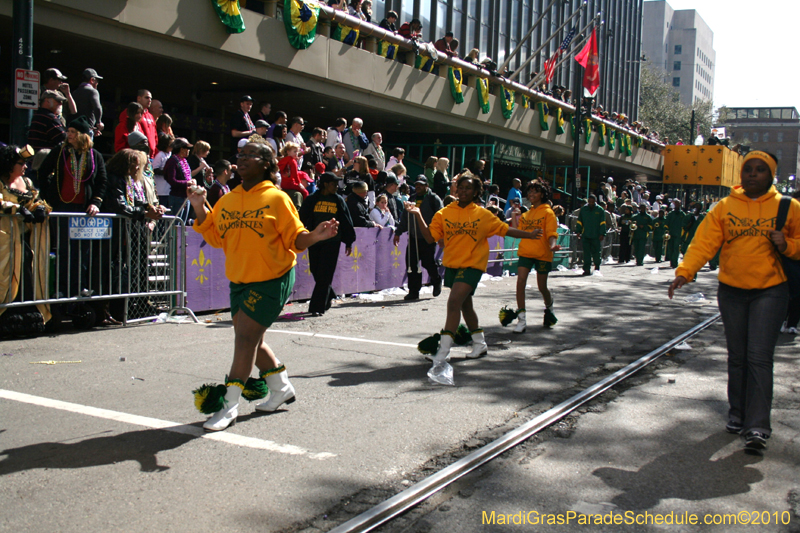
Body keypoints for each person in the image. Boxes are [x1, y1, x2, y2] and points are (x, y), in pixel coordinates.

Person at [188, 142, 340, 431]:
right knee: (252, 340)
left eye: (250, 156)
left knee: (244, 339)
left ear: (267, 164)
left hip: (273, 278)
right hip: (240, 280)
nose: (241, 159)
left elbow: (296, 239)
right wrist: (198, 206)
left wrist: (316, 237)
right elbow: (215, 238)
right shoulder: (228, 199)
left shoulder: (278, 198)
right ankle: (281, 388)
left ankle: (229, 405)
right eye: (240, 155)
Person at [668, 151, 800, 456]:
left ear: (771, 176)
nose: (753, 174)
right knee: (738, 356)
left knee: (758, 356)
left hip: (771, 290)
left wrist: (788, 244)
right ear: (741, 174)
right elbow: (703, 243)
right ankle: (738, 413)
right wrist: (684, 272)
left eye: (760, 170)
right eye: (748, 169)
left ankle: (757, 426)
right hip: (732, 291)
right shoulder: (725, 207)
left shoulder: (788, 207)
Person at [405, 174, 542, 362]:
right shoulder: (444, 213)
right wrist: (418, 214)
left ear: (476, 192)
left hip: (473, 265)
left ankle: (443, 352)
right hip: (453, 264)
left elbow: (505, 229)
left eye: (468, 188)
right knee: (465, 306)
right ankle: (480, 344)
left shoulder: (482, 215)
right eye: (460, 187)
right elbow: (430, 238)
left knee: (453, 303)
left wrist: (529, 234)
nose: (463, 191)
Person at [38, 116, 107, 297]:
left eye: (72, 132)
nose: (68, 135)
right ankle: (62, 288)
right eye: (68, 131)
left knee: (82, 250)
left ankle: (79, 286)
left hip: (83, 210)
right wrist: (49, 199)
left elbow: (102, 181)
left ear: (83, 135)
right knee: (63, 249)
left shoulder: (95, 156)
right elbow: (42, 172)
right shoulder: (60, 152)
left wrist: (96, 202)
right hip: (62, 207)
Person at [0, 145, 51, 337]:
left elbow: (35, 201)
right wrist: (16, 209)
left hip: (22, 238)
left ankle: (25, 320)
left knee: (25, 273)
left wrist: (39, 208)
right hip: (3, 238)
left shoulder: (26, 181)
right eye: (20, 163)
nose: (24, 167)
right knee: (4, 276)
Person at [299, 172, 356, 316]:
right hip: (314, 240)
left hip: (332, 242)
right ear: (325, 184)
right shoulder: (312, 199)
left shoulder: (338, 200)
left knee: (325, 273)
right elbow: (301, 218)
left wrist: (349, 241)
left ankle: (317, 307)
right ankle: (329, 294)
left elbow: (346, 220)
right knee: (315, 271)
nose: (337, 186)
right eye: (334, 184)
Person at [507, 181, 560, 333]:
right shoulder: (526, 213)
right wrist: (515, 217)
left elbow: (551, 233)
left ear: (542, 194)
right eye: (529, 192)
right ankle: (521, 319)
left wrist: (552, 245)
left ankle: (549, 307)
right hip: (526, 252)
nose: (531, 195)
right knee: (520, 282)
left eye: (535, 192)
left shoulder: (548, 213)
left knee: (542, 287)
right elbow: (518, 231)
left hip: (543, 254)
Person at [394, 176, 443, 301]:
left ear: (427, 186)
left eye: (421, 185)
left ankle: (436, 279)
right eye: (416, 185)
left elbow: (441, 216)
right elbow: (405, 218)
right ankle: (414, 291)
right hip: (413, 237)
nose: (418, 187)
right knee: (411, 264)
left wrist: (440, 234)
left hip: (427, 238)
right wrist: (398, 232)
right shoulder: (412, 198)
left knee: (428, 263)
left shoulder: (433, 199)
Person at [162, 137, 193, 223]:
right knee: (175, 225)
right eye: (186, 148)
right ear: (181, 149)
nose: (188, 151)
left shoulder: (184, 161)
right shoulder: (172, 161)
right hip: (177, 197)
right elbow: (172, 180)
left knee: (182, 225)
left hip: (186, 197)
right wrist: (187, 183)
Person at [575, 195, 606, 275]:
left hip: (596, 236)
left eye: (593, 202)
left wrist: (602, 233)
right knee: (586, 253)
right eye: (590, 201)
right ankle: (587, 269)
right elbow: (579, 221)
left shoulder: (600, 210)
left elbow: (603, 223)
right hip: (586, 235)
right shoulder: (583, 210)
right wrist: (578, 231)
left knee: (596, 253)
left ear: (595, 201)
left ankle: (597, 267)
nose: (591, 203)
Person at [277, 142, 312, 208]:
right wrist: (299, 184)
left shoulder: (282, 160)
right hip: (290, 183)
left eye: (297, 151)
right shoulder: (292, 161)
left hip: (282, 183)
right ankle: (305, 207)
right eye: (294, 152)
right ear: (288, 152)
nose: (297, 153)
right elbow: (295, 175)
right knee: (305, 192)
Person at [71, 69, 104, 138]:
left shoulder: (75, 92)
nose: (97, 83)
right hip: (86, 130)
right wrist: (99, 122)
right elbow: (97, 107)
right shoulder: (93, 91)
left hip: (73, 129)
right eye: (97, 81)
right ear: (92, 80)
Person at [665, 199, 687, 268]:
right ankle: (672, 262)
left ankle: (675, 262)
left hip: (678, 234)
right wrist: (666, 231)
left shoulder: (682, 214)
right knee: (671, 248)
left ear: (680, 204)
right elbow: (666, 223)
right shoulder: (671, 214)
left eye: (678, 204)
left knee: (676, 248)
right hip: (671, 234)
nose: (677, 205)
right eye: (676, 203)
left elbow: (685, 224)